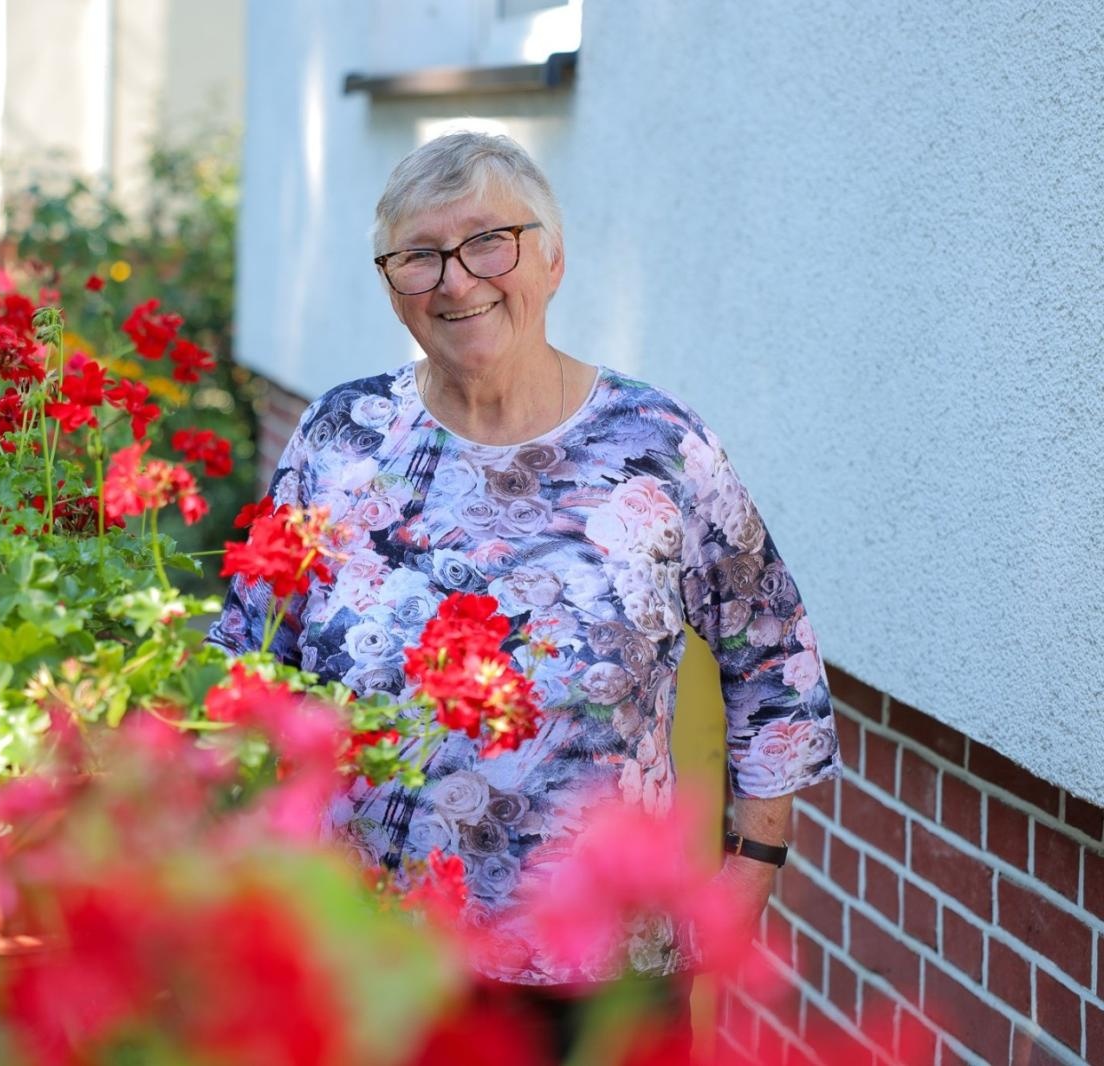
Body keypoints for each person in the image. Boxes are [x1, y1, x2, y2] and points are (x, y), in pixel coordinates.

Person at [208, 131, 843, 1055]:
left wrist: (746, 873)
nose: (457, 281)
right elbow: (247, 656)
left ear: (551, 259)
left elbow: (775, 665)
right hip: (368, 959)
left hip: (599, 980)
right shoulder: (342, 438)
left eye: (488, 242)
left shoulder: (656, 445)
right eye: (420, 256)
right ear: (393, 288)